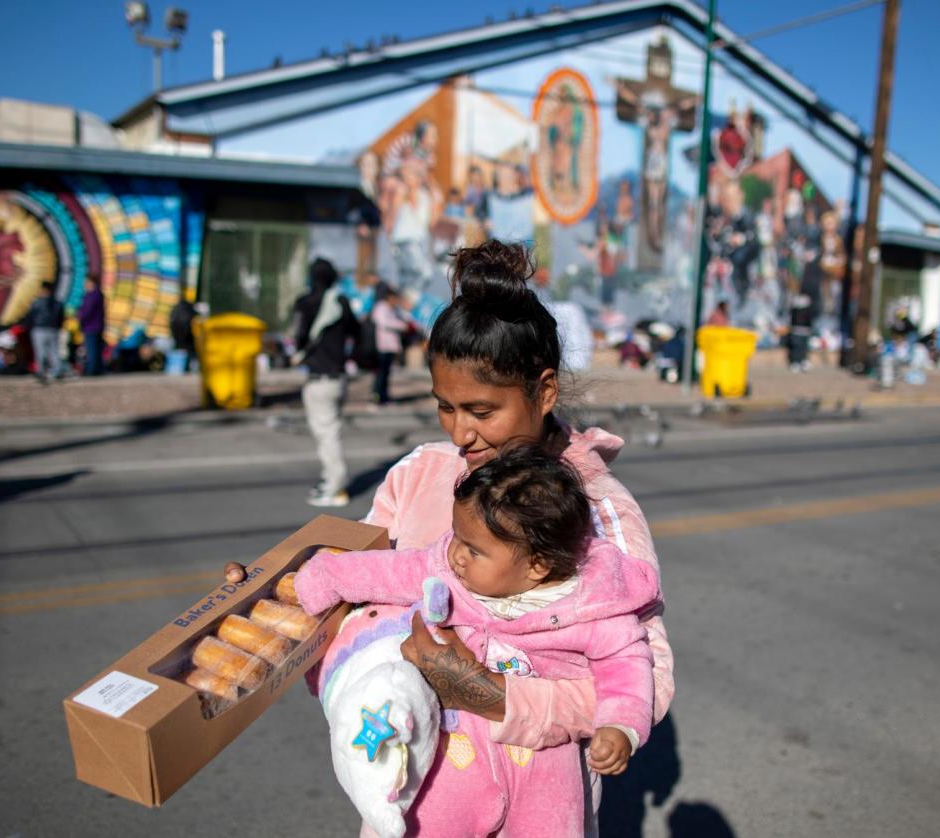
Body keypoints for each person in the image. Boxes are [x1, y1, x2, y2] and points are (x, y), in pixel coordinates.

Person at [226, 239, 674, 834]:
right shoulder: (417, 476)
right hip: (416, 801)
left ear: (542, 392)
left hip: (538, 798)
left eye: (482, 411)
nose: (462, 434)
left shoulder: (595, 507)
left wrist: (492, 696)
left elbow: (646, 678)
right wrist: (268, 593)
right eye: (446, 407)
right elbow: (351, 588)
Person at [295, 443, 655, 836]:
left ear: (538, 565)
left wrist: (620, 725)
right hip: (453, 752)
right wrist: (325, 577)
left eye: (474, 549)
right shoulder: (448, 569)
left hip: (545, 765)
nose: (457, 554)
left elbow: (627, 667)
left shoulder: (594, 605)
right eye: (457, 538)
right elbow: (389, 570)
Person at [293, 257, 360, 507]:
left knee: (327, 434)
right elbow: (356, 332)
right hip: (339, 376)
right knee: (330, 430)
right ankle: (329, 478)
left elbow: (298, 334)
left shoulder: (304, 302)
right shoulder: (341, 302)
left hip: (318, 378)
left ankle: (335, 486)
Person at [370, 282, 412, 405]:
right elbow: (384, 323)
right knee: (381, 374)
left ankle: (384, 396)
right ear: (389, 297)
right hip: (381, 346)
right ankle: (378, 396)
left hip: (389, 347)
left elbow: (406, 318)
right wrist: (401, 326)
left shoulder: (392, 309)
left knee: (386, 374)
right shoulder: (380, 307)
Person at [25, 281, 65, 383]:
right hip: (53, 329)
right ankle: (57, 371)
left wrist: (30, 326)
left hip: (39, 329)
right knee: (54, 352)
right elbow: (61, 317)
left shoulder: (37, 302)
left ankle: (41, 372)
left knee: (41, 352)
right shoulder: (57, 303)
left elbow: (30, 317)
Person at [77, 274, 106, 376]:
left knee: (91, 350)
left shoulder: (91, 296)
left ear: (91, 283)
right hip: (98, 326)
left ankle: (91, 370)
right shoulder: (99, 294)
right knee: (97, 350)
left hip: (90, 326)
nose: (85, 285)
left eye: (86, 282)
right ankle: (98, 369)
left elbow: (86, 312)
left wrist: (79, 316)